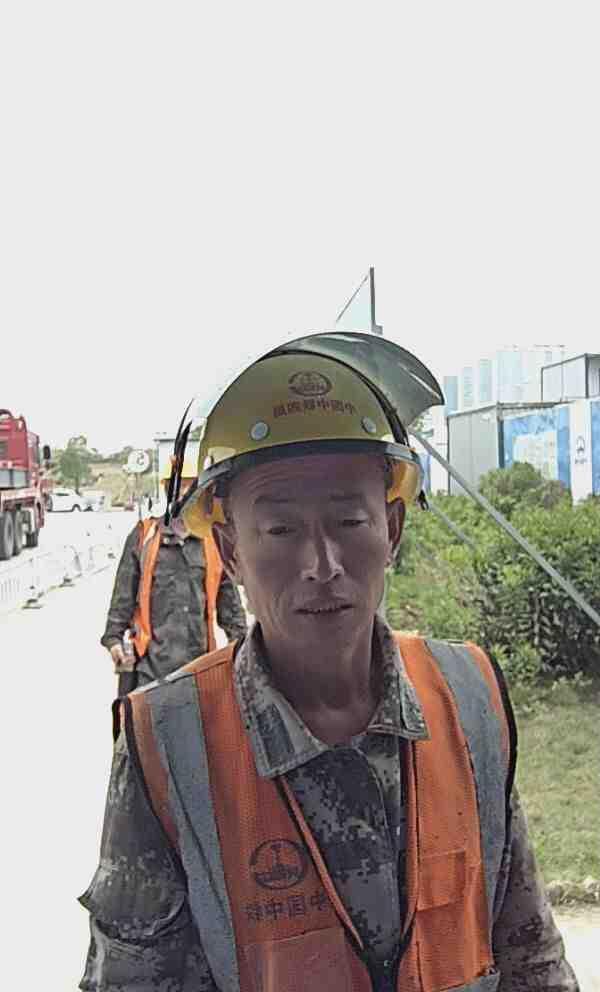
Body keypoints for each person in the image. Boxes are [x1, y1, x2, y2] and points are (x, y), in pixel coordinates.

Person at [80, 332, 578, 992]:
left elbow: (530, 955)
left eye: (349, 523)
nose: (322, 566)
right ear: (230, 550)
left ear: (392, 529)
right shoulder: (168, 742)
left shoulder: (468, 697)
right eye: (281, 531)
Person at [100, 458, 247, 689]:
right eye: (177, 486)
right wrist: (114, 639)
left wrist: (241, 646)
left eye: (189, 487)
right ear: (167, 490)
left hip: (199, 667)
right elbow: (123, 595)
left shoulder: (212, 541)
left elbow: (230, 605)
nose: (183, 494)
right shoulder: (144, 536)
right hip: (150, 669)